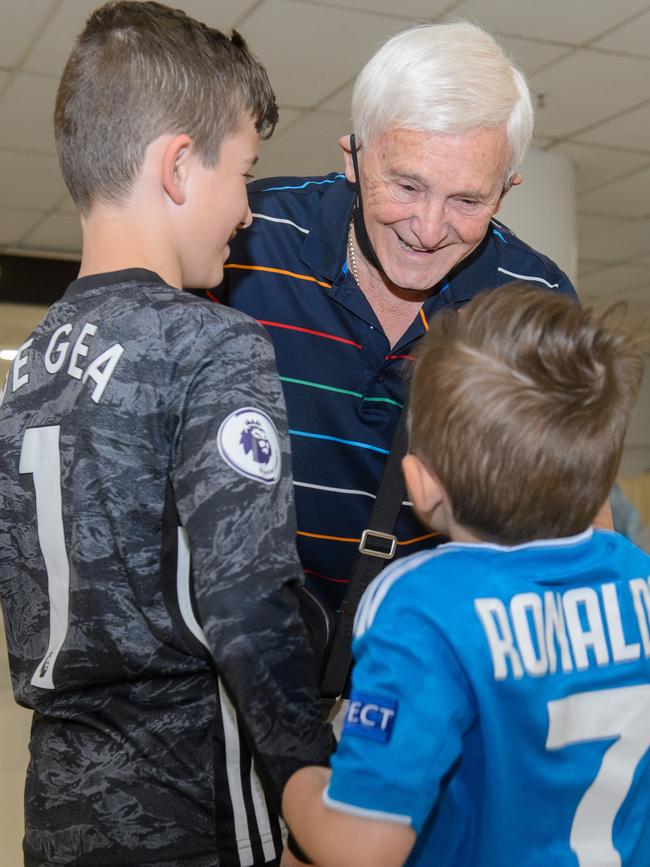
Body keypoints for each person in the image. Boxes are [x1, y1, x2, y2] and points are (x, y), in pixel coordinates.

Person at [0, 3, 332, 866]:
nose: (247, 214)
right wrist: (313, 792)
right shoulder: (210, 341)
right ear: (179, 167)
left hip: (60, 807)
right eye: (244, 174)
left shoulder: (31, 363)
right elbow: (247, 600)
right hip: (196, 803)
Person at [218, 20, 608, 623]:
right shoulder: (243, 238)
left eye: (467, 200)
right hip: (234, 678)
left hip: (432, 682)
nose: (428, 230)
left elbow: (578, 521)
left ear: (506, 191)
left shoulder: (537, 301)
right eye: (405, 185)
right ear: (353, 156)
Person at [280, 284, 650, 867]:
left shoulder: (424, 605)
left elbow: (361, 849)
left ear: (420, 485)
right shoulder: (638, 575)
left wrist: (293, 778)